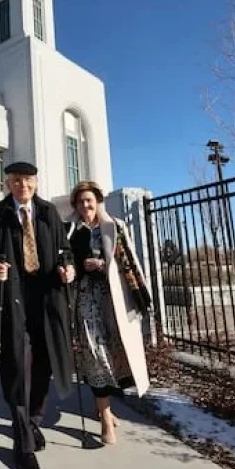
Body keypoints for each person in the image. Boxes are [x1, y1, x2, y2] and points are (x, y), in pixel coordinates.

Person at [0, 161, 75, 469]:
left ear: (36, 183)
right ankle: (23, 443)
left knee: (44, 364)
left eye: (28, 180)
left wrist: (67, 267)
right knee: (17, 367)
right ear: (8, 184)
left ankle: (32, 422)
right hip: (11, 300)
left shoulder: (48, 213)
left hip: (45, 301)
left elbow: (64, 249)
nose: (23, 186)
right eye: (17, 181)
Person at [66, 180, 150, 445]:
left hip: (112, 298)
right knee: (94, 352)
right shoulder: (70, 230)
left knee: (113, 354)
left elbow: (127, 260)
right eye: (80, 202)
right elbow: (63, 258)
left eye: (89, 200)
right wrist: (79, 266)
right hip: (84, 298)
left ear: (98, 201)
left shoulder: (114, 226)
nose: (85, 206)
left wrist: (104, 264)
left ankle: (102, 406)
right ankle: (104, 417)